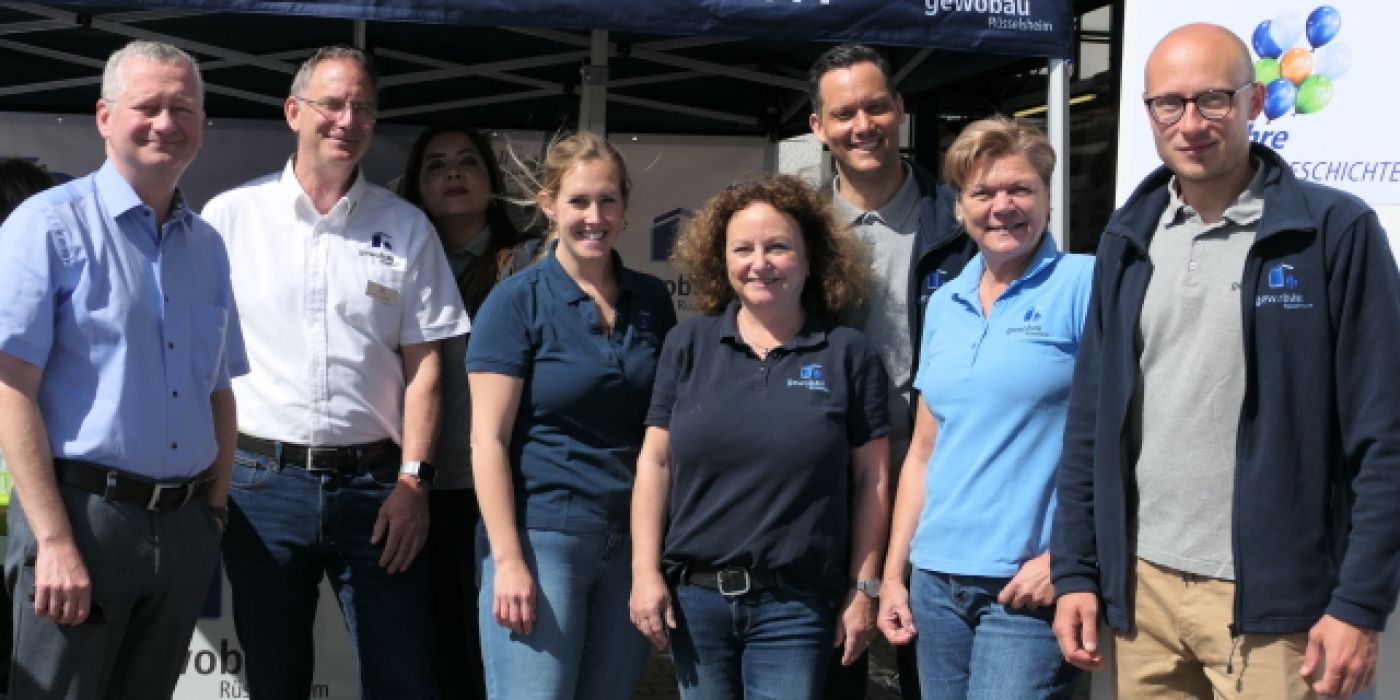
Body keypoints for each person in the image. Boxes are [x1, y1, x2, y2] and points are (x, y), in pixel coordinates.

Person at [1051, 23, 1400, 700]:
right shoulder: (1128, 237)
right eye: (1169, 104)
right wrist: (1076, 572)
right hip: (1142, 595)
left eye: (1212, 99)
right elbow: (1090, 421)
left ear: (1254, 101)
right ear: (1149, 111)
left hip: (1276, 609)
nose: (1190, 123)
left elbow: (1384, 433)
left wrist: (1360, 604)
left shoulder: (1331, 232)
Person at [203, 46, 470, 699]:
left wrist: (414, 481)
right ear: (294, 112)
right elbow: (199, 359)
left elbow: (426, 367)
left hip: (379, 489)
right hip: (260, 486)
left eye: (363, 108)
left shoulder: (406, 227)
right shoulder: (229, 218)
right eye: (332, 104)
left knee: (405, 680)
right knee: (276, 680)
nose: (347, 121)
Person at [0, 40, 246, 699]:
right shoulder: (46, 225)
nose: (166, 123)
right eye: (148, 106)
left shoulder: (208, 246)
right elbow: (9, 388)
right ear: (105, 117)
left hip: (184, 524)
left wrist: (212, 515)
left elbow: (219, 389)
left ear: (202, 122)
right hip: (81, 519)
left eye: (183, 108)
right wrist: (54, 539)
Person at [630, 174, 890, 699]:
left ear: (811, 257)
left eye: (778, 247)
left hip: (796, 605)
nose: (759, 263)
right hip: (695, 601)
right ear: (721, 259)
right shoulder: (687, 344)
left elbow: (874, 481)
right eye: (743, 248)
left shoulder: (847, 353)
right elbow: (656, 463)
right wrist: (645, 573)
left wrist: (865, 588)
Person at [876, 116, 1088, 699]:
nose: (1003, 207)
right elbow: (923, 453)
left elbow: (1125, 438)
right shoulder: (946, 302)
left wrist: (1069, 558)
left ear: (1047, 196)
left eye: (1020, 189)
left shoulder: (1085, 284)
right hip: (935, 582)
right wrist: (894, 576)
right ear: (959, 206)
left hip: (1025, 587)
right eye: (983, 193)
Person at [467, 130, 676, 700]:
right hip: (543, 541)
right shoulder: (515, 301)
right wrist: (508, 561)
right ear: (549, 205)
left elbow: (661, 430)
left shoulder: (651, 300)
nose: (594, 217)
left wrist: (651, 559)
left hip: (630, 543)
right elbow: (487, 440)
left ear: (625, 208)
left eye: (607, 201)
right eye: (579, 201)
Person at [808, 44, 977, 700]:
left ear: (900, 108)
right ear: (818, 126)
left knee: (929, 676)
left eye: (875, 106)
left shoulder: (963, 221)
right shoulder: (799, 230)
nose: (863, 125)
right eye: (843, 113)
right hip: (826, 484)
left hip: (940, 481)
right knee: (830, 673)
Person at [399, 123, 538, 700]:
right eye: (435, 165)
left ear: (492, 180)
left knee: (495, 666)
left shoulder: (528, 265)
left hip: (502, 498)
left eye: (467, 161)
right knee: (430, 665)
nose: (452, 172)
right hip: (413, 496)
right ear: (417, 186)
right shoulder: (398, 260)